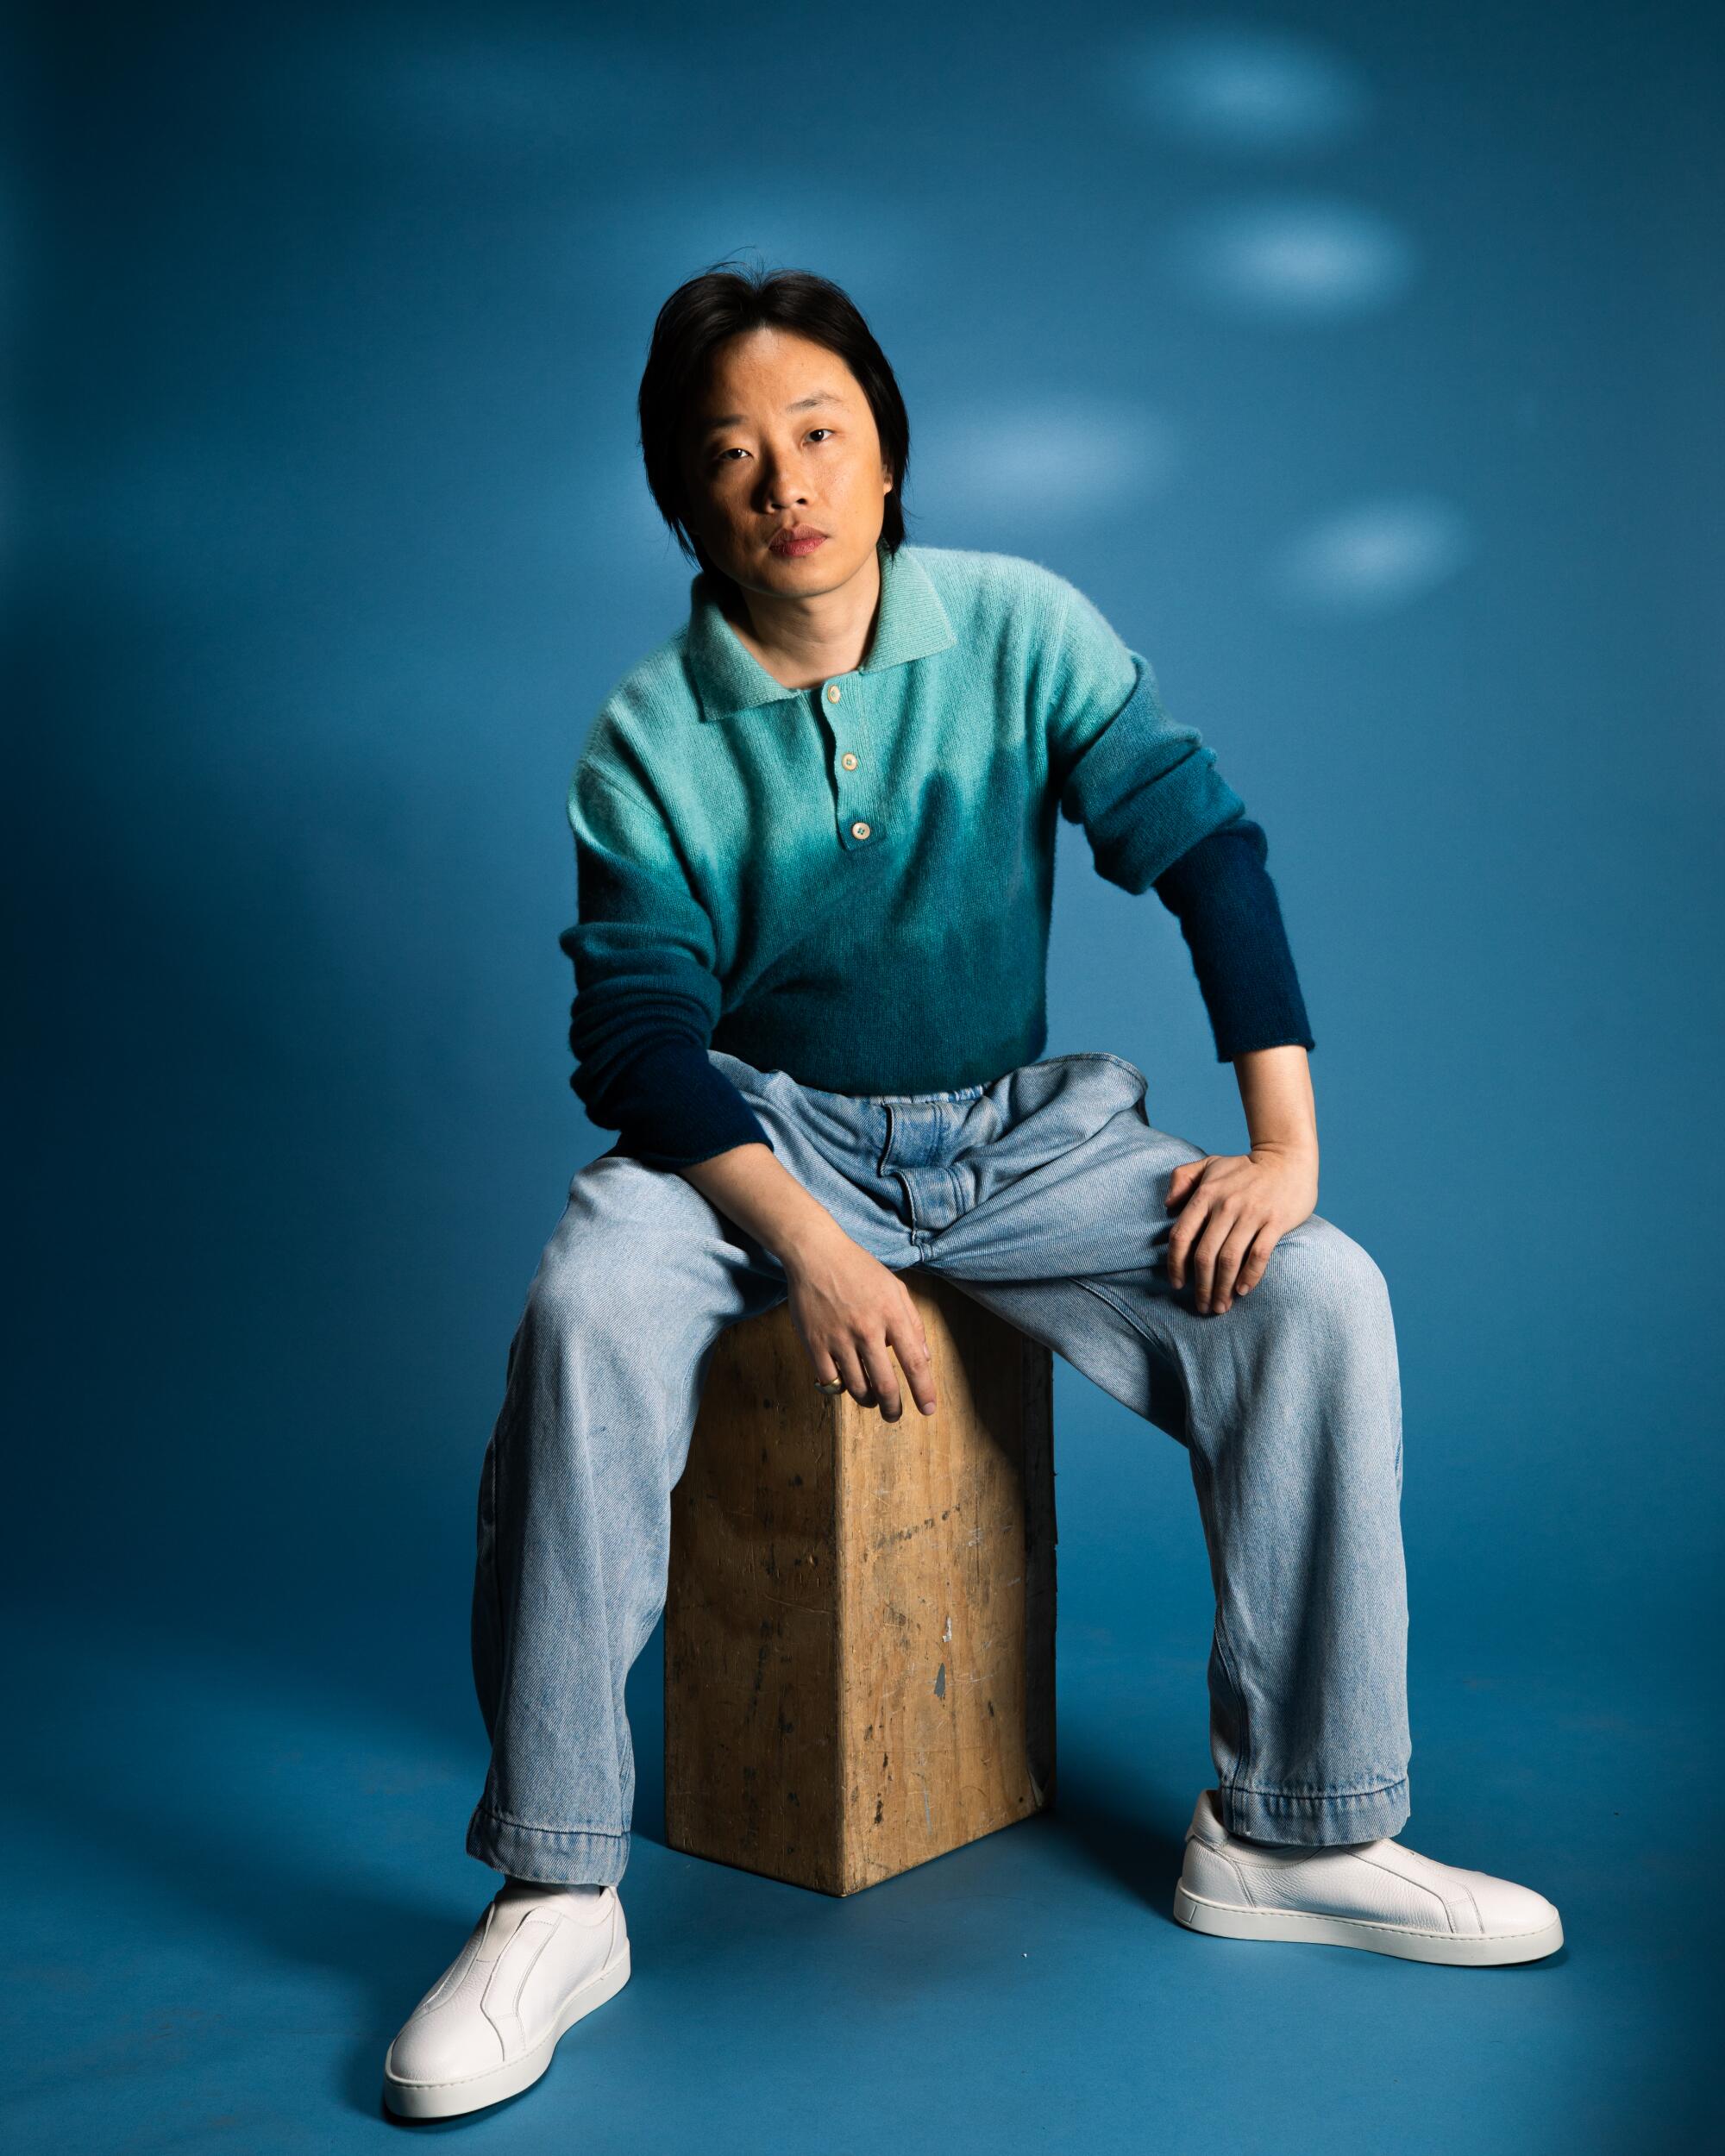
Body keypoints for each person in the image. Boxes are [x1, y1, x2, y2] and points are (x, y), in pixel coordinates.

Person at [381, 263, 1563, 2122]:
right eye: (733, 456)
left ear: (884, 447)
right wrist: (818, 1245)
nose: (788, 479)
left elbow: (1205, 844)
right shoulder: (646, 735)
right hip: (758, 1138)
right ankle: (555, 1882)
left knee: (1319, 1290)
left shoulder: (1019, 625)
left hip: (1013, 1136)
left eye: (822, 430)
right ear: (687, 504)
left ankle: (1294, 1835)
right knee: (585, 1299)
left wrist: (1287, 1143)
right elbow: (639, 1038)